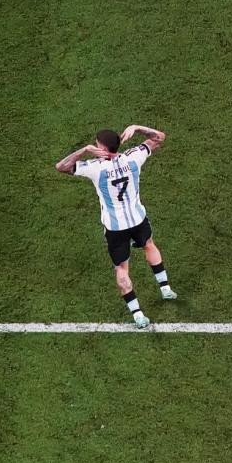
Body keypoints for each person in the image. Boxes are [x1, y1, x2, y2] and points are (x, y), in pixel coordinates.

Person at [56, 125, 176, 327]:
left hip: (115, 228)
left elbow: (62, 166)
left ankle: (138, 315)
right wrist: (137, 128)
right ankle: (165, 288)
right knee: (149, 244)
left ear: (101, 148)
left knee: (121, 268)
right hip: (138, 219)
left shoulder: (95, 167)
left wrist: (84, 150)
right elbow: (159, 138)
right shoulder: (133, 157)